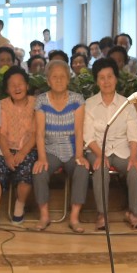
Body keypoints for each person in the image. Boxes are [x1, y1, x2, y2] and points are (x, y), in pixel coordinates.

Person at [82, 58, 137, 232]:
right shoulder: (90, 104)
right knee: (100, 169)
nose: (106, 81)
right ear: (96, 81)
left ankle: (133, 213)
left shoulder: (127, 104)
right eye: (101, 77)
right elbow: (88, 136)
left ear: (116, 78)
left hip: (123, 151)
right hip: (97, 149)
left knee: (135, 170)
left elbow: (133, 133)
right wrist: (100, 155)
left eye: (110, 76)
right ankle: (102, 215)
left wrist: (134, 157)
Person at [31, 60, 89, 233]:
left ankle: (74, 218)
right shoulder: (41, 101)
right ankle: (44, 216)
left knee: (82, 169)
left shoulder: (77, 100)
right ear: (48, 81)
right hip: (51, 149)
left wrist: (79, 155)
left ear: (68, 79)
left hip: (72, 148)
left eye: (62, 76)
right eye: (54, 77)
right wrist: (41, 158)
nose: (58, 80)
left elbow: (79, 131)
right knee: (39, 170)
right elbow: (39, 133)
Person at [0, 67, 36, 230]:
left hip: (28, 148)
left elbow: (35, 133)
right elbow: (1, 133)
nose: (17, 87)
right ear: (6, 89)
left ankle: (19, 206)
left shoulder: (37, 102)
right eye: (12, 85)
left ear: (27, 85)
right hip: (5, 148)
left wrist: (22, 153)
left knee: (26, 171)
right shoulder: (3, 105)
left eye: (20, 84)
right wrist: (6, 154)